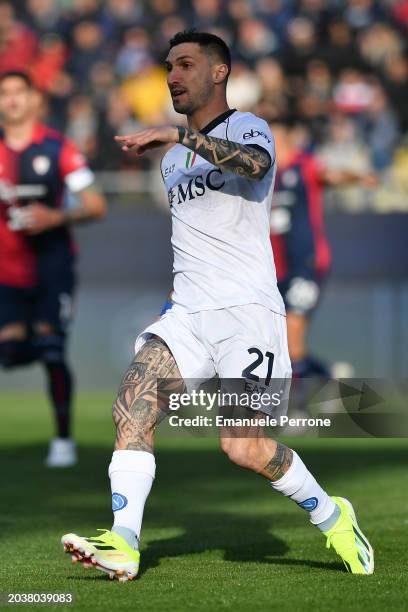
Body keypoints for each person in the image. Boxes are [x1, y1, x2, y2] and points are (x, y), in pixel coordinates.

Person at [61, 31, 373, 580]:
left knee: (244, 447)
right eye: (168, 67)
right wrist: (172, 310)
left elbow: (253, 165)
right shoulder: (170, 162)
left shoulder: (249, 127)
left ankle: (332, 515)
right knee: (132, 404)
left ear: (219, 72)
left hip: (248, 312)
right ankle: (124, 543)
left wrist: (180, 135)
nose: (173, 76)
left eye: (185, 64)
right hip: (187, 313)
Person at [0, 71, 107, 467]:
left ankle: (63, 441)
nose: (11, 100)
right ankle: (40, 344)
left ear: (34, 100)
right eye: (4, 93)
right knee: (10, 353)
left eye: (18, 93)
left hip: (52, 266)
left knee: (52, 350)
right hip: (6, 272)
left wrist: (55, 216)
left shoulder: (58, 147)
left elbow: (96, 205)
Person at [270, 117, 376, 380]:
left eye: (273, 138)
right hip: (274, 271)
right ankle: (329, 376)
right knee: (279, 343)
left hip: (306, 263)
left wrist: (359, 176)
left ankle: (299, 412)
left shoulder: (303, 166)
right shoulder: (266, 176)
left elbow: (331, 174)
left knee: (292, 331)